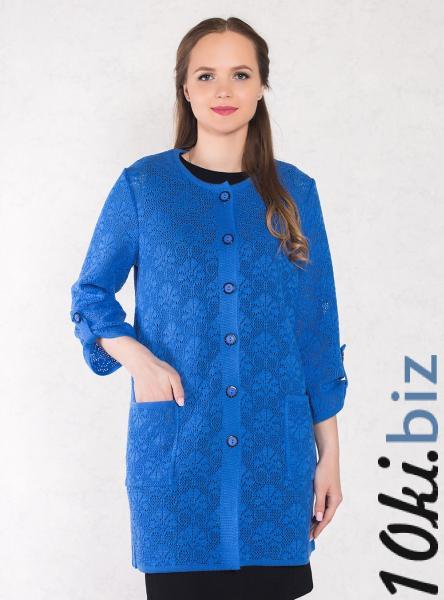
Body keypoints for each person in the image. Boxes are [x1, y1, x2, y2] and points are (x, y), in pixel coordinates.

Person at [70, 16, 348, 600]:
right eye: (206, 75)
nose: (224, 90)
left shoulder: (297, 193)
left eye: (240, 74)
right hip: (177, 466)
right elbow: (90, 293)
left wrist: (330, 457)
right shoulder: (144, 187)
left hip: (276, 469)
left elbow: (316, 334)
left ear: (261, 87)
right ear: (185, 88)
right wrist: (138, 359)